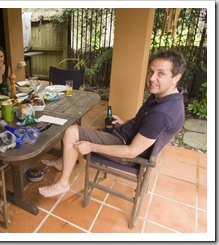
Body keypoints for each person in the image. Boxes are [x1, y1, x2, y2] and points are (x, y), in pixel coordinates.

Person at [39, 49, 186, 198]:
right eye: (151, 71)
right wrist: (126, 122)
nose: (152, 78)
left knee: (72, 132)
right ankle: (62, 162)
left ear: (176, 78)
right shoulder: (165, 95)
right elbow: (147, 123)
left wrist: (91, 146)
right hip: (124, 135)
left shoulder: (163, 113)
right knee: (81, 132)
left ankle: (63, 183)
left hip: (126, 150)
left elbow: (131, 152)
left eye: (161, 74)